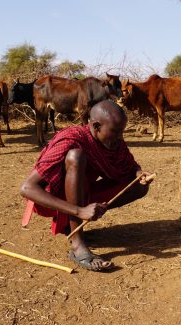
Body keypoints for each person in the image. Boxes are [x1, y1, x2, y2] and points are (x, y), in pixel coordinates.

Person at [20, 100, 153, 271]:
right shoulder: (72, 139)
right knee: (76, 156)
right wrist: (79, 211)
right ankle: (77, 243)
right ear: (96, 126)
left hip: (83, 195)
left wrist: (139, 174)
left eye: (121, 132)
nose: (120, 137)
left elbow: (130, 167)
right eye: (115, 132)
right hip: (51, 199)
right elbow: (27, 188)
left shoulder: (114, 142)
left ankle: (71, 224)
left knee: (139, 186)